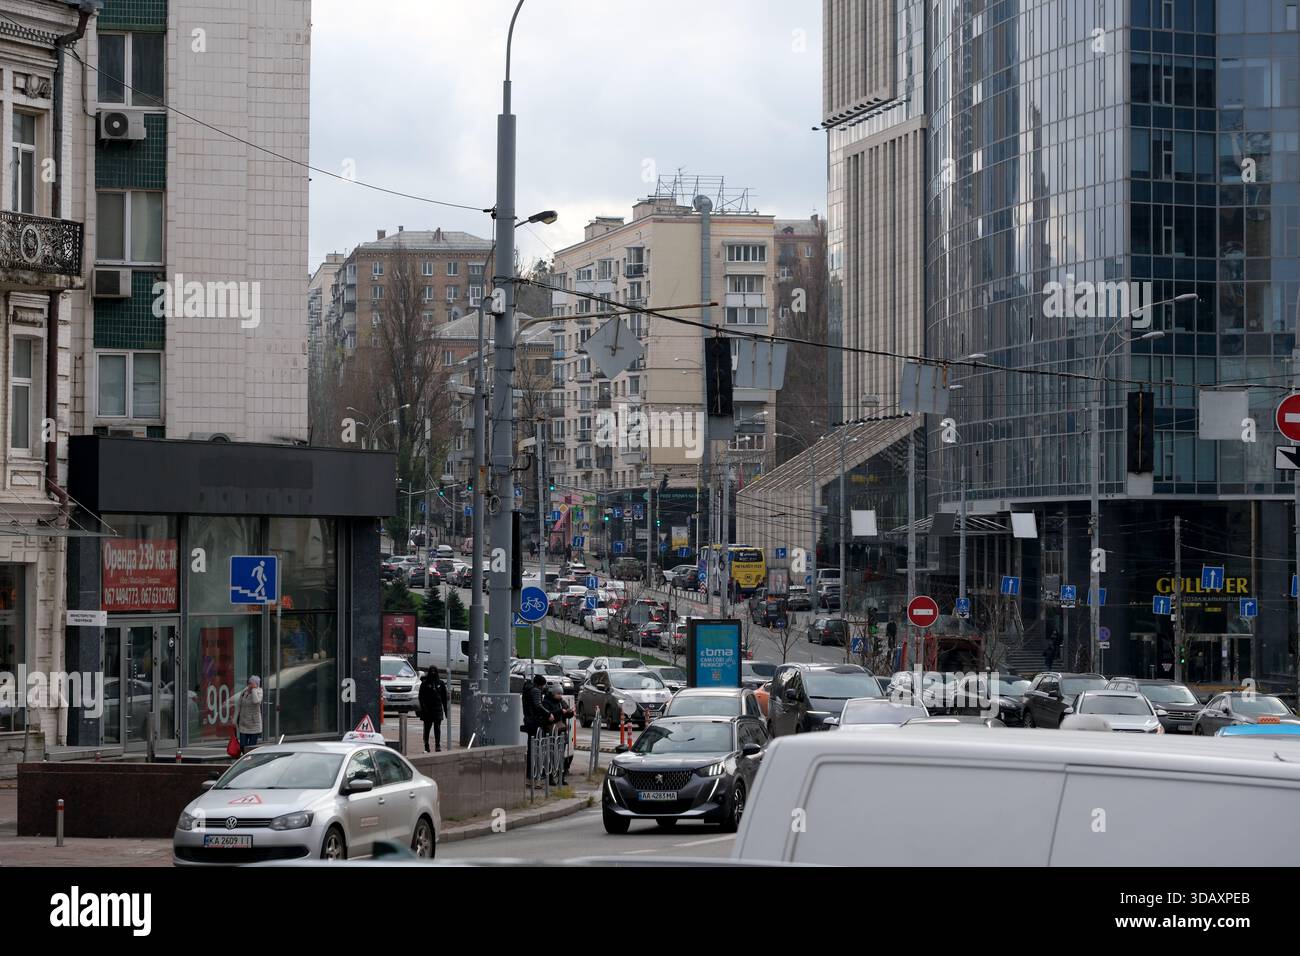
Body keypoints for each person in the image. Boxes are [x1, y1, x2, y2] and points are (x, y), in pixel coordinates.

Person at [419, 665, 449, 752]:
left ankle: (437, 745)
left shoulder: (440, 683)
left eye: (434, 671)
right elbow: (421, 697)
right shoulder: (424, 683)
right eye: (431, 671)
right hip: (428, 710)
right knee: (427, 729)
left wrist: (446, 711)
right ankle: (426, 745)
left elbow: (444, 698)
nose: (433, 673)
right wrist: (424, 708)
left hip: (437, 710)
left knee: (437, 728)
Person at [235, 675, 263, 752]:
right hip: (243, 724)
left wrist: (254, 690)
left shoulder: (259, 691)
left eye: (252, 683)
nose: (250, 685)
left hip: (254, 724)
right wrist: (235, 718)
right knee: (242, 746)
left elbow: (256, 701)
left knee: (251, 748)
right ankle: (244, 758)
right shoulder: (245, 691)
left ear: (257, 684)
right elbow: (239, 704)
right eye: (249, 683)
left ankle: (249, 762)